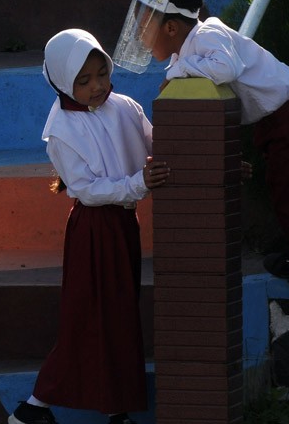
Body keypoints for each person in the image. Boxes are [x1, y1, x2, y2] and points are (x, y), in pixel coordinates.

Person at [113, 0, 289, 319]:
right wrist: (178, 70)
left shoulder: (208, 34)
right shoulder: (188, 49)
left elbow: (225, 68)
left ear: (171, 27)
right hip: (274, 122)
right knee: (285, 197)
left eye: (146, 24)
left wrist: (178, 71)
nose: (140, 34)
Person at [9, 29, 169, 424]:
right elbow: (87, 190)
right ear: (63, 82)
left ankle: (117, 410)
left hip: (123, 224)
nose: (97, 86)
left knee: (119, 318)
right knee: (88, 319)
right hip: (94, 230)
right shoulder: (60, 131)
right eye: (83, 80)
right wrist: (138, 183)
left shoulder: (125, 107)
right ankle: (34, 408)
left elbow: (158, 145)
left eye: (102, 73)